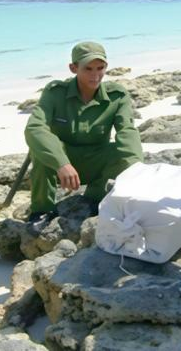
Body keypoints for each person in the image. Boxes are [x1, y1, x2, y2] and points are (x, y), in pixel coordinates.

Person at [24, 41, 143, 225]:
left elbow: (127, 131)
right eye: (88, 69)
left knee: (126, 155)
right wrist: (62, 164)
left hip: (96, 162)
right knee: (40, 149)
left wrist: (137, 169)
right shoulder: (55, 93)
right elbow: (35, 128)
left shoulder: (117, 96)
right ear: (73, 68)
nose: (95, 75)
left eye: (100, 68)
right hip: (61, 166)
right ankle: (41, 210)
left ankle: (95, 197)